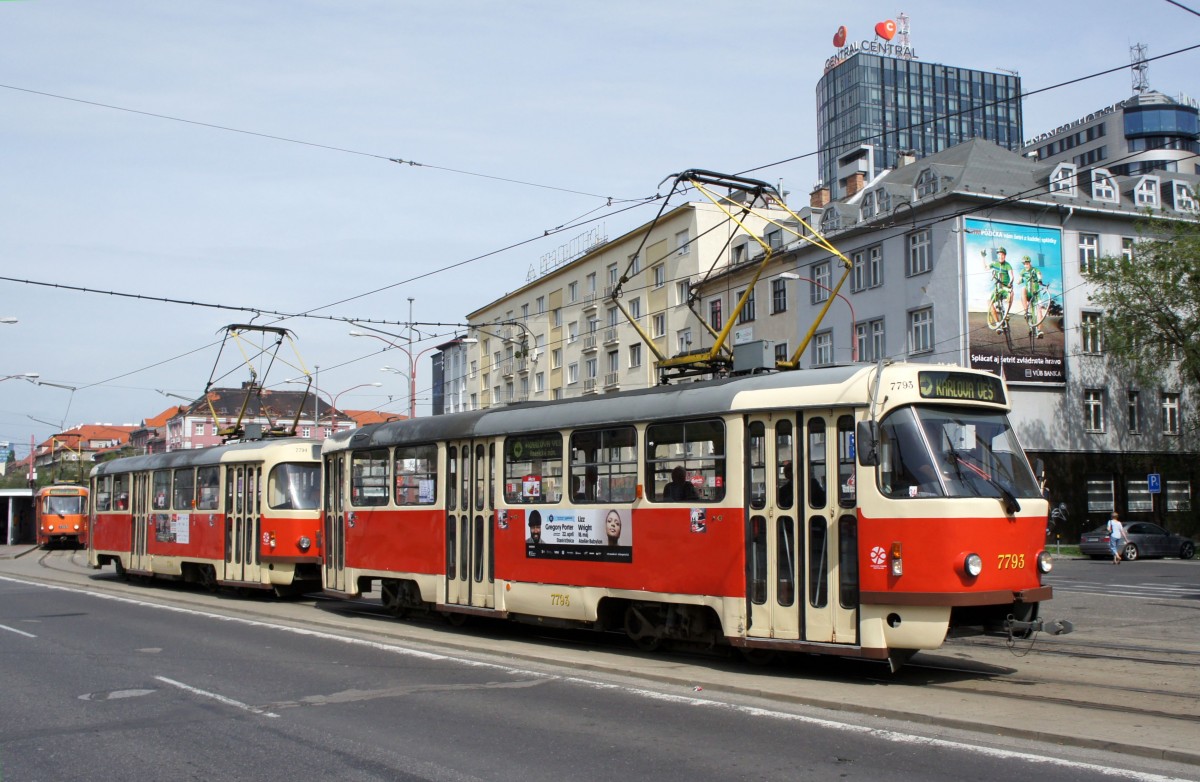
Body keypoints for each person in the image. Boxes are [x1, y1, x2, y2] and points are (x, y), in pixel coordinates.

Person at [986, 247, 1015, 327]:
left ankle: (1007, 313)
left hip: (1005, 287)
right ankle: (997, 323)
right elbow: (985, 268)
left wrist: (1010, 282)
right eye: (999, 255)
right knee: (989, 302)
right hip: (997, 288)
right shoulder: (994, 263)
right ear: (997, 256)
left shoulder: (1008, 265)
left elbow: (1011, 276)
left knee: (1011, 294)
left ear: (1004, 256)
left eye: (1002, 255)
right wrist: (983, 257)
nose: (1000, 256)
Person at [1019, 256, 1046, 338]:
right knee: (1023, 289)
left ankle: (1039, 331)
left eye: (1027, 263)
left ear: (1030, 263)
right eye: (1024, 264)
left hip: (1036, 294)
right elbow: (1020, 279)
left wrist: (1040, 280)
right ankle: (1026, 312)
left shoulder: (1035, 269)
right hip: (1028, 293)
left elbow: (1039, 275)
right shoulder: (1023, 271)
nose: (1026, 265)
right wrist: (1019, 281)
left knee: (1039, 311)